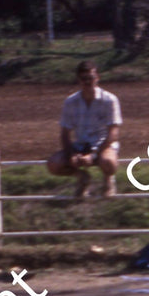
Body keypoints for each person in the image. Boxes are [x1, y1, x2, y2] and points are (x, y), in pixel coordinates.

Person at [46, 61, 122, 199]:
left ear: (97, 78)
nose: (87, 82)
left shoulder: (109, 100)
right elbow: (64, 133)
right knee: (53, 164)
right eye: (83, 78)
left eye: (90, 78)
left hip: (103, 145)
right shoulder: (70, 102)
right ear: (78, 80)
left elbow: (113, 133)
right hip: (80, 146)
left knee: (109, 163)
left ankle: (108, 181)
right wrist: (71, 155)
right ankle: (82, 177)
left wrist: (93, 155)